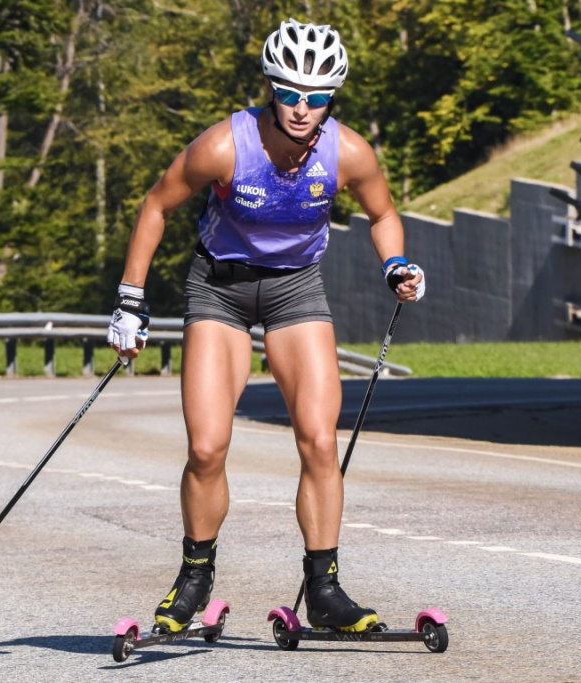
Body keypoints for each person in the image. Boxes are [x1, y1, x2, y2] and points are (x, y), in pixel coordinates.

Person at [106, 18, 425, 634]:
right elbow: (157, 204)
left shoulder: (348, 152)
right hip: (219, 289)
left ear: (333, 96)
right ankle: (195, 576)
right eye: (290, 92)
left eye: (318, 96)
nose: (303, 109)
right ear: (271, 87)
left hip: (295, 290)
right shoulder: (225, 146)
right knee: (206, 446)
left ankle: (325, 589)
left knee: (320, 438)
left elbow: (383, 213)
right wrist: (129, 298)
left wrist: (395, 264)